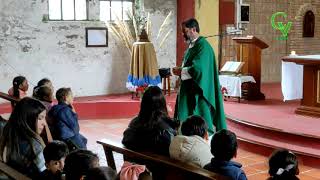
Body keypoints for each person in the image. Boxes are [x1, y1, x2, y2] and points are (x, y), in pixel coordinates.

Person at [172, 18, 226, 135]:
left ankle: (205, 140)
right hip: (190, 87)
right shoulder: (194, 45)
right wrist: (181, 70)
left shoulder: (203, 46)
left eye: (185, 31)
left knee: (202, 117)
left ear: (193, 29)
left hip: (200, 90)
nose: (183, 34)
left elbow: (199, 69)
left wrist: (181, 71)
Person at [122, 86, 179, 156]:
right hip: (158, 166)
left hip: (138, 164)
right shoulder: (166, 130)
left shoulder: (134, 124)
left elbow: (125, 142)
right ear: (162, 104)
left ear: (143, 104)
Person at [0, 97, 47, 179]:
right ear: (28, 119)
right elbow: (44, 173)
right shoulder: (35, 146)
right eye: (40, 118)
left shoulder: (8, 133)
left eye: (44, 118)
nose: (44, 123)